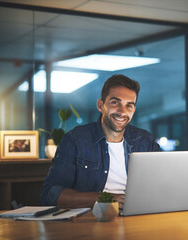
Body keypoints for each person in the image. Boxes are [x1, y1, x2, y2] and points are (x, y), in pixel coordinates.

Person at [41, 74, 160, 208]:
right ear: (100, 105)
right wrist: (105, 199)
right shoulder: (76, 140)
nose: (122, 112)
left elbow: (162, 184)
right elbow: (51, 194)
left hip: (138, 214)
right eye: (115, 103)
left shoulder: (145, 141)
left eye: (129, 106)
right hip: (93, 217)